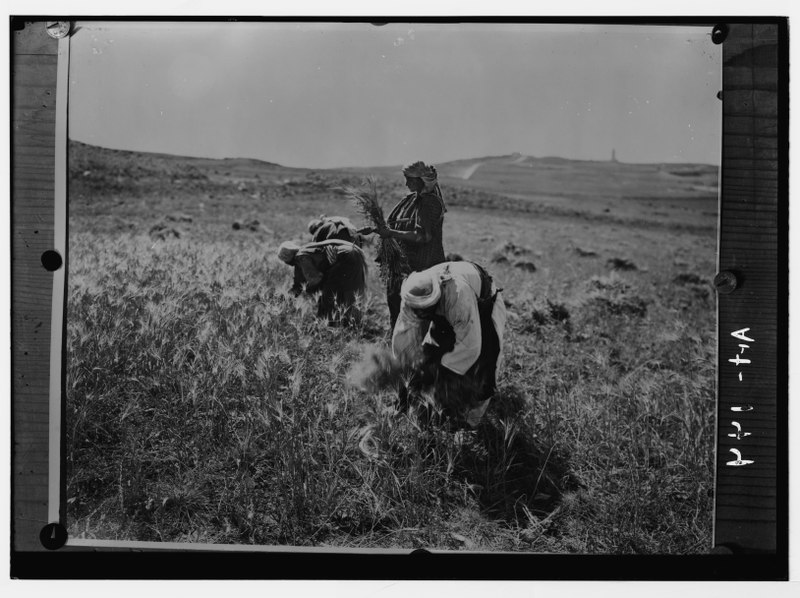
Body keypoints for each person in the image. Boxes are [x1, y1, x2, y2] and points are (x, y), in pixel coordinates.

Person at [391, 260, 507, 428]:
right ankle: (436, 407)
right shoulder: (411, 296)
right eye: (418, 311)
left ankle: (469, 422)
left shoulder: (458, 295)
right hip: (448, 310)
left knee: (485, 364)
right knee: (432, 352)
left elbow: (470, 346)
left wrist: (440, 377)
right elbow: (403, 337)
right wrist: (406, 377)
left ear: (436, 299)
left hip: (483, 307)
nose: (420, 314)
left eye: (425, 311)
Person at [359, 161, 447, 330]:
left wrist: (390, 234)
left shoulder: (430, 203)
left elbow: (423, 236)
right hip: (401, 266)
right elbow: (396, 225)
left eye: (409, 179)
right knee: (396, 312)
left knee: (416, 318)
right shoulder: (410, 200)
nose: (406, 183)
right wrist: (376, 229)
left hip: (422, 267)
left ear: (421, 180)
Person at [278, 239, 367, 324]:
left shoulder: (301, 257)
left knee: (329, 296)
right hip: (352, 253)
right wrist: (287, 296)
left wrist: (308, 291)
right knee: (349, 291)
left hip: (344, 257)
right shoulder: (304, 251)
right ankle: (351, 323)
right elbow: (299, 283)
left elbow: (316, 279)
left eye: (284, 260)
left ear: (287, 257)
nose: (286, 263)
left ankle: (331, 325)